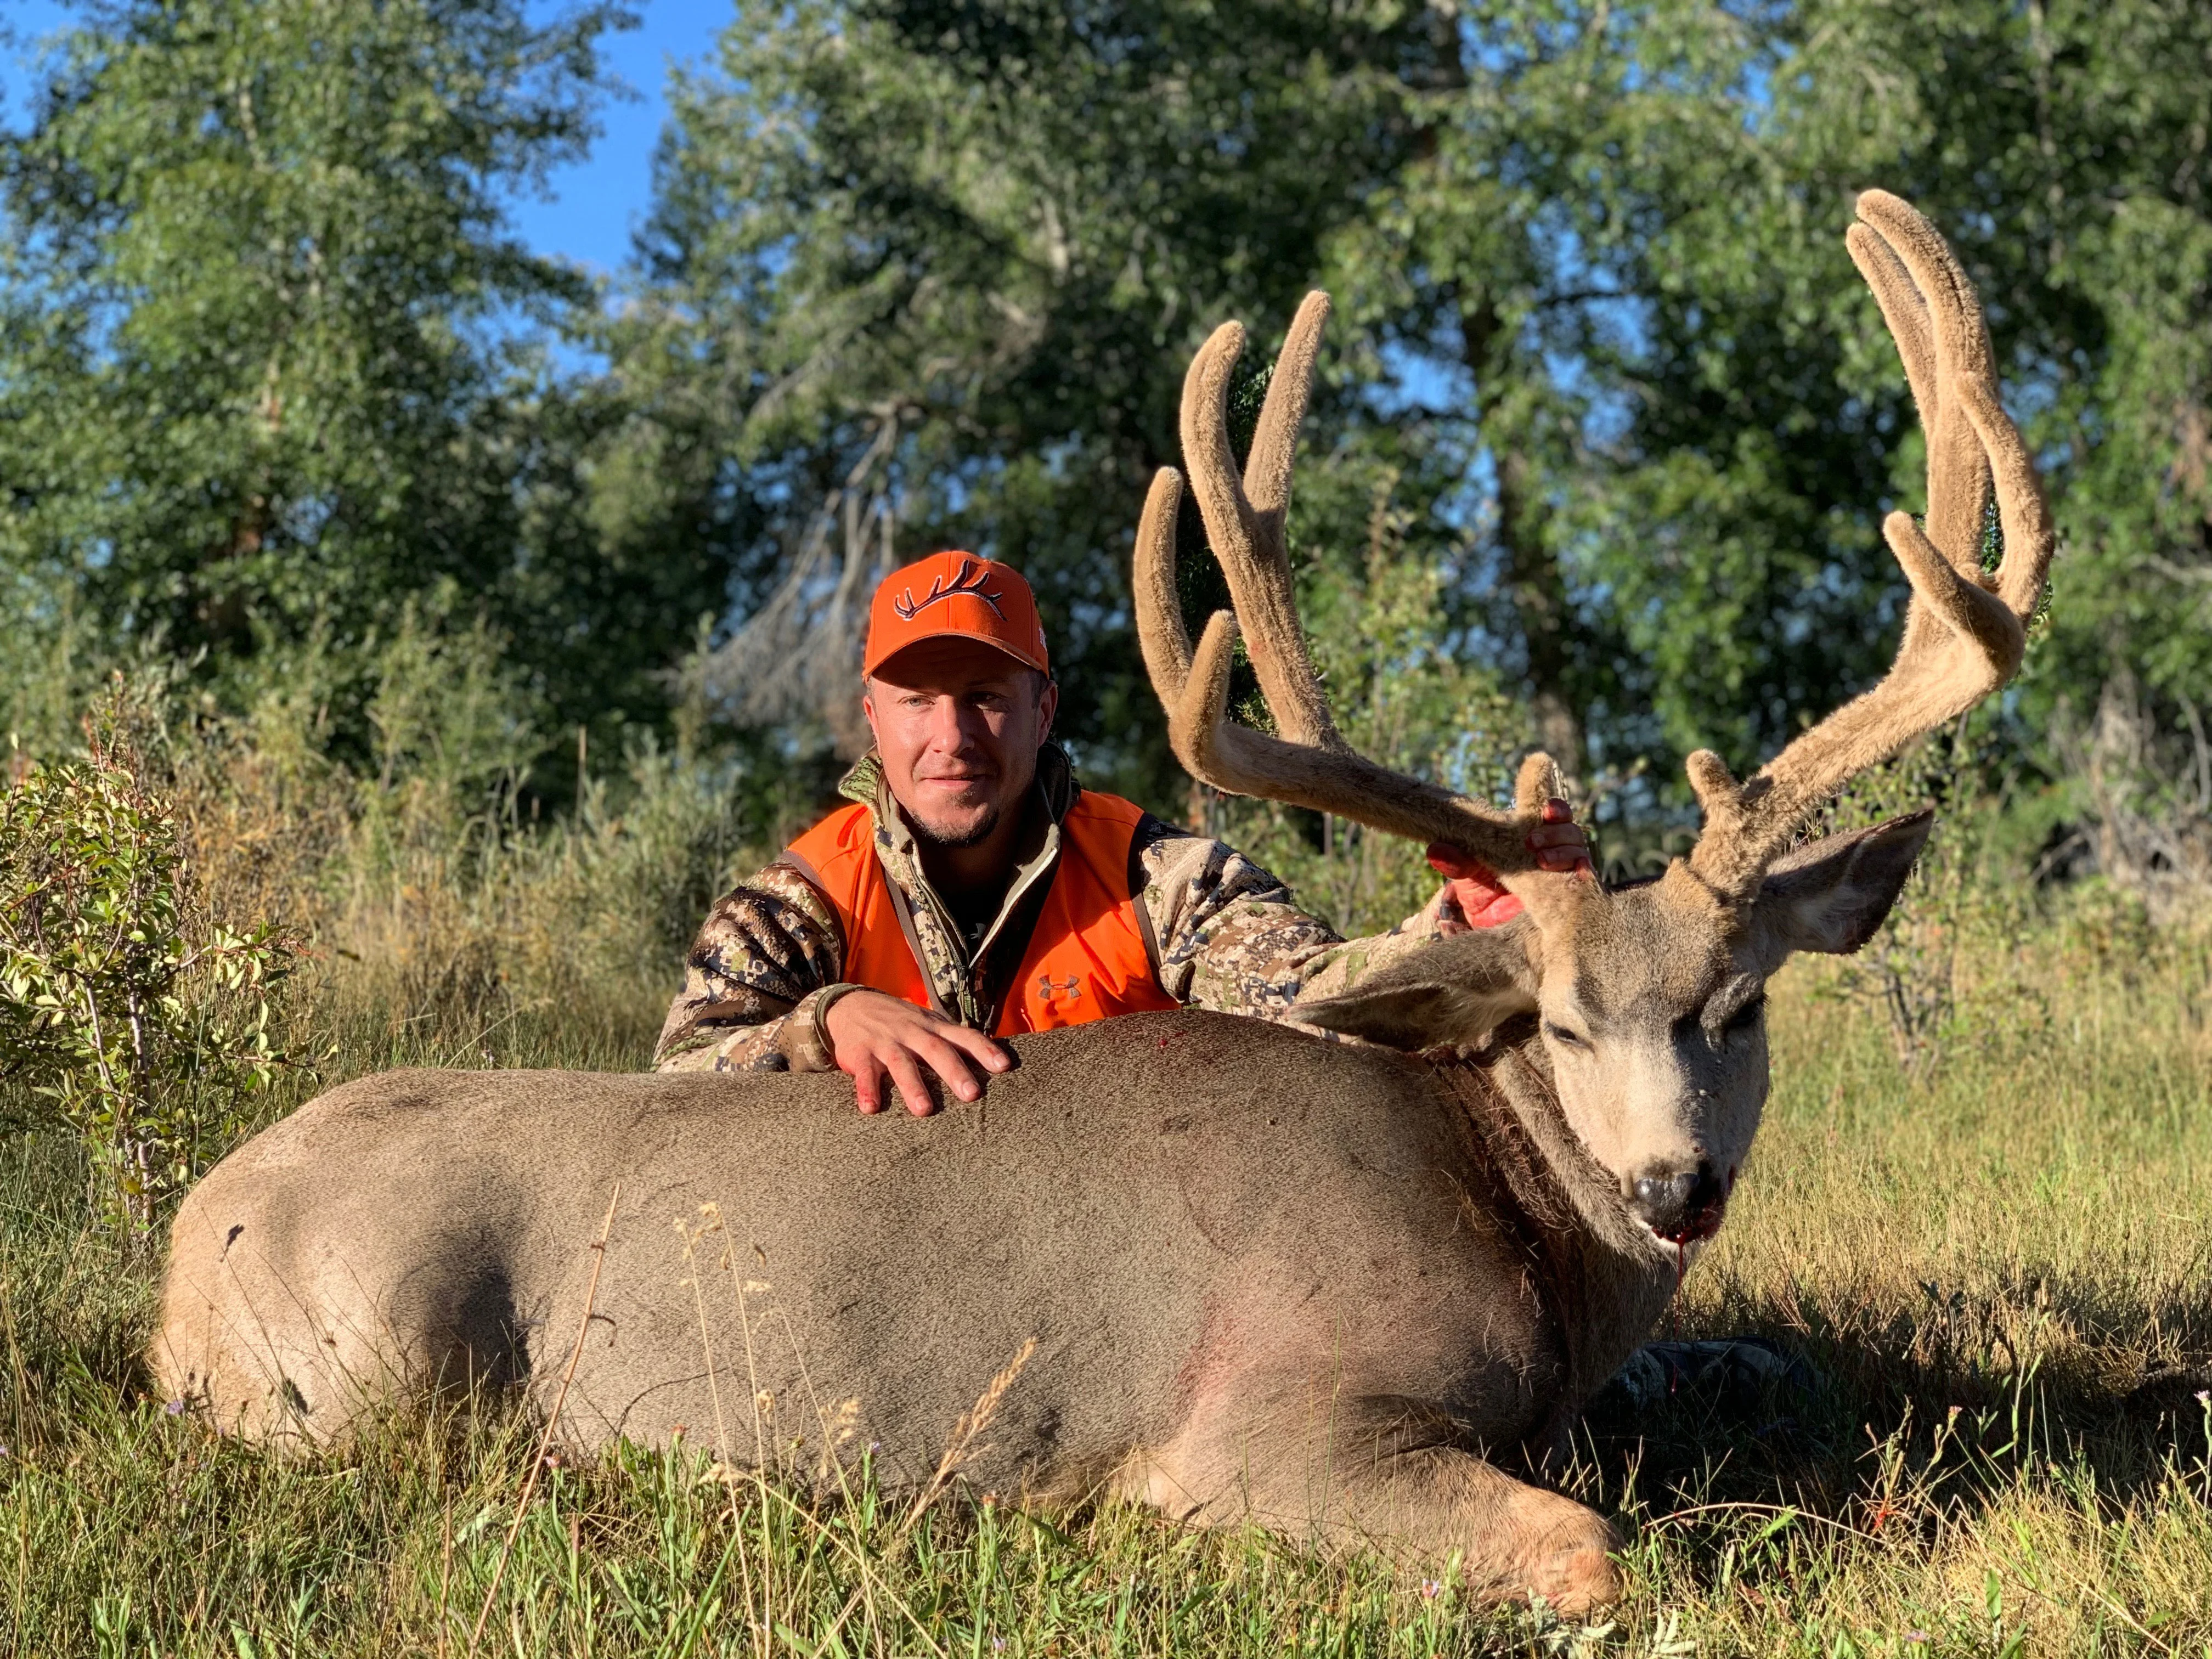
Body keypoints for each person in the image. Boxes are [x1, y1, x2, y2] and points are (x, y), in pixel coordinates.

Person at [654, 551, 1592, 1114]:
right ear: (872, 716)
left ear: (1042, 707)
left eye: (986, 698)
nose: (952, 738)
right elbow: (668, 1095)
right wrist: (829, 1021)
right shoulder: (797, 905)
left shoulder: (1162, 880)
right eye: (918, 702)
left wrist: (1461, 929)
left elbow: (1318, 1011)